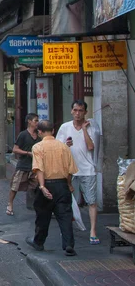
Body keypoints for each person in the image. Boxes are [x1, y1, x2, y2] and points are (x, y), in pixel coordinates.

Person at [26, 120, 78, 256]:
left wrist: (42, 187)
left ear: (40, 132)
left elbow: (39, 169)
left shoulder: (38, 147)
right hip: (62, 185)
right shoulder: (64, 147)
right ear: (53, 131)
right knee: (65, 215)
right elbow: (70, 170)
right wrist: (69, 184)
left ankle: (38, 242)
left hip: (47, 184)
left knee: (43, 215)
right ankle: (68, 244)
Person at [55, 99, 101, 245]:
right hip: (70, 171)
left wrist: (84, 130)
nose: (77, 113)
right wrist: (65, 145)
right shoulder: (65, 127)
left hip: (88, 170)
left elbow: (91, 147)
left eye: (80, 111)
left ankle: (93, 230)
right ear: (71, 111)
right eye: (75, 110)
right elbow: (58, 147)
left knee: (91, 202)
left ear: (85, 112)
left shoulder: (91, 127)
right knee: (68, 202)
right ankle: (68, 231)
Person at [7, 113, 41, 216]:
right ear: (29, 121)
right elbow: (15, 149)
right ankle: (10, 204)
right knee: (15, 186)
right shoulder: (23, 135)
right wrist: (27, 153)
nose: (37, 123)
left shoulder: (39, 136)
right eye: (35, 121)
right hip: (23, 165)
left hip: (35, 166)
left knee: (38, 186)